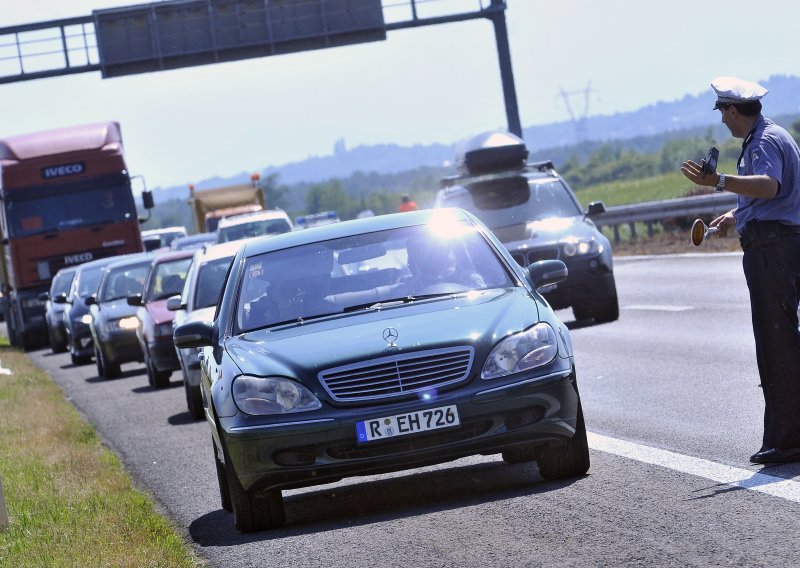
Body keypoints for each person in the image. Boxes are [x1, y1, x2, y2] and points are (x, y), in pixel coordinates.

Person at [680, 76, 800, 465]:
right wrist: (737, 213)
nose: (723, 122)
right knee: (782, 340)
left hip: (772, 248)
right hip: (776, 241)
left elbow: (769, 185)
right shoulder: (771, 136)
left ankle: (788, 440)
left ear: (734, 110)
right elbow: (772, 196)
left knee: (776, 342)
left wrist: (718, 182)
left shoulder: (763, 141)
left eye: (723, 113)